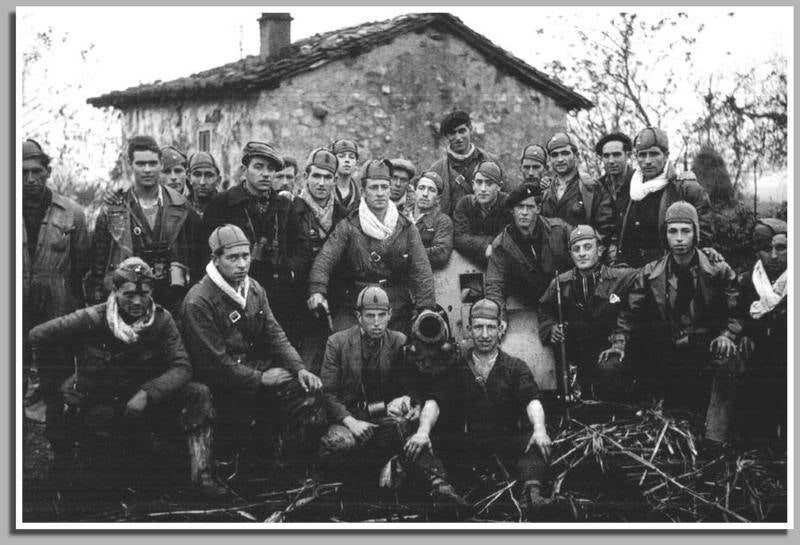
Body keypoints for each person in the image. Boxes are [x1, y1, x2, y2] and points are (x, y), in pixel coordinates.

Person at [30, 258, 222, 503]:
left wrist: (147, 393)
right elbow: (38, 335)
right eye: (128, 294)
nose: (137, 302)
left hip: (143, 404)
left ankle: (201, 475)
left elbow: (182, 367)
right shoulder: (92, 318)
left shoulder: (161, 321)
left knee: (198, 392)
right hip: (100, 406)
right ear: (115, 291)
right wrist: (61, 386)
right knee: (99, 489)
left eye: (144, 294)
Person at [180, 224, 325, 467]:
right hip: (216, 382)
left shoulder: (254, 289)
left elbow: (275, 334)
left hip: (248, 370)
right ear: (215, 259)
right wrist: (260, 378)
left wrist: (299, 368)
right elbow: (214, 363)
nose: (241, 264)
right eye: (232, 258)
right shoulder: (199, 301)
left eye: (245, 256)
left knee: (306, 394)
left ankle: (284, 463)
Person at [601, 201, 742, 446]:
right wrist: (619, 344)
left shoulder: (718, 270)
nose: (679, 239)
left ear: (696, 233)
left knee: (727, 357)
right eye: (672, 231)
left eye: (685, 231)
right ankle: (631, 431)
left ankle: (715, 439)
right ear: (665, 235)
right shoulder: (650, 273)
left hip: (703, 346)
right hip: (667, 348)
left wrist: (727, 335)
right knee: (617, 365)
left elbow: (736, 310)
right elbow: (629, 314)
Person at [317, 286, 463, 503]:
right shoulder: (337, 343)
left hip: (382, 420)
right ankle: (355, 486)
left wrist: (411, 402)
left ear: (390, 315)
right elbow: (327, 395)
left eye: (381, 315)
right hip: (347, 420)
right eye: (370, 316)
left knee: (411, 437)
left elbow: (412, 383)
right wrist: (351, 422)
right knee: (339, 444)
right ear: (358, 316)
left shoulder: (398, 341)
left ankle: (440, 487)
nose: (376, 322)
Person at [430, 298, 552, 516]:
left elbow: (531, 400)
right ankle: (443, 493)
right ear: (469, 329)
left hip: (505, 444)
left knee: (536, 442)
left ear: (501, 328)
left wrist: (540, 429)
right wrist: (422, 431)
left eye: (490, 327)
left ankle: (531, 495)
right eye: (478, 327)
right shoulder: (455, 369)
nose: (485, 334)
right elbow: (435, 401)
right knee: (423, 444)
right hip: (468, 446)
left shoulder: (515, 367)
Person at [307, 159, 436, 335]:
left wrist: (426, 307)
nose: (380, 193)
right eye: (374, 188)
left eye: (384, 187)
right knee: (342, 345)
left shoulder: (406, 227)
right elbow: (325, 259)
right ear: (363, 191)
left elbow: (422, 269)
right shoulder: (348, 225)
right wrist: (317, 291)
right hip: (355, 304)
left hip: (395, 307)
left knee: (401, 349)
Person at [85, 135, 203, 316]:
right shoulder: (114, 209)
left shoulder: (181, 206)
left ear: (160, 165)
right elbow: (99, 267)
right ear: (130, 165)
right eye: (140, 164)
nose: (147, 169)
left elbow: (197, 258)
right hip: (128, 301)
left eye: (152, 163)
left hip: (172, 301)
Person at [22, 138, 90, 415]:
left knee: (55, 375)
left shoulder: (71, 212)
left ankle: (58, 443)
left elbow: (82, 265)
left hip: (56, 307)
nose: (30, 179)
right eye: (22, 172)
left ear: (48, 172)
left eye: (36, 171)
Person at [201, 141, 294, 336]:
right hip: (233, 292)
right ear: (245, 170)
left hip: (277, 294)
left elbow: (294, 248)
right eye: (258, 167)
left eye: (271, 169)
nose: (266, 174)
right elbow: (205, 254)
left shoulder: (284, 205)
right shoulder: (223, 203)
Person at [537, 225, 637, 399]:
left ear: (600, 250)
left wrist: (620, 340)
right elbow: (544, 309)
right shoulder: (561, 283)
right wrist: (551, 328)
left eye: (587, 247)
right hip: (578, 350)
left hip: (608, 347)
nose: (582, 253)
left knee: (610, 373)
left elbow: (646, 277)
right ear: (571, 254)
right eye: (576, 249)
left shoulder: (621, 277)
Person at [616, 127, 717, 268]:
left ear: (666, 155)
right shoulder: (629, 188)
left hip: (666, 273)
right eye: (642, 155)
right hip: (630, 271)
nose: (647, 161)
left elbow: (703, 234)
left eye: (654, 154)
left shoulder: (683, 189)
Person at [286, 148, 348, 369]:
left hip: (334, 301)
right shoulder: (290, 211)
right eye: (316, 176)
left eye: (327, 177)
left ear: (335, 180)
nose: (321, 183)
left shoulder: (342, 215)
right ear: (306, 177)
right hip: (297, 305)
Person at [737, 218, 788, 448]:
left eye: (782, 248)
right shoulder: (748, 281)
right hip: (760, 362)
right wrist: (745, 334)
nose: (775, 256)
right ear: (758, 251)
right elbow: (737, 315)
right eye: (767, 249)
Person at [485, 184, 572, 309]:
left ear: (538, 208)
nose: (524, 213)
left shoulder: (559, 230)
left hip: (565, 302)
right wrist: (499, 315)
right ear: (512, 210)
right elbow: (494, 285)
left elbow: (585, 249)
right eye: (520, 207)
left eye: (530, 207)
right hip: (527, 306)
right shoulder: (501, 245)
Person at [540, 132, 615, 250]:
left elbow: (605, 230)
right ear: (550, 159)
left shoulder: (591, 188)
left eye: (565, 153)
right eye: (554, 155)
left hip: (582, 259)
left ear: (576, 156)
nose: (560, 159)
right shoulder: (545, 191)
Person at [429, 110, 499, 215]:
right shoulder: (437, 169)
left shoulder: (491, 161)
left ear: (470, 129)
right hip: (451, 228)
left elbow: (507, 198)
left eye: (462, 131)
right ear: (447, 136)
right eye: (452, 133)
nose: (458, 138)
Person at [452, 160, 511, 268]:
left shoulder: (507, 204)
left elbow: (508, 239)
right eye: (479, 182)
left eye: (489, 183)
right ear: (473, 185)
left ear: (499, 186)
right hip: (470, 264)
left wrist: (474, 241)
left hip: (502, 266)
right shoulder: (465, 204)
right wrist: (486, 246)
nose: (483, 189)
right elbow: (459, 238)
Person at [406, 171, 454, 270]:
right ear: (415, 192)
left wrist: (407, 255)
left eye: (431, 190)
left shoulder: (442, 221)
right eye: (421, 188)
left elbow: (440, 254)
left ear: (438, 198)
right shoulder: (401, 217)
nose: (425, 194)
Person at [594, 132, 634, 243]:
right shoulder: (597, 187)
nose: (611, 161)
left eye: (616, 155)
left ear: (628, 155)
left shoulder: (640, 182)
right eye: (606, 156)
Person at [187, 151, 221, 217]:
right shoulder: (181, 208)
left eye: (209, 175)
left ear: (218, 180)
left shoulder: (227, 208)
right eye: (197, 175)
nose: (202, 182)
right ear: (189, 178)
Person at [331, 138, 361, 214]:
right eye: (341, 156)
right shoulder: (326, 191)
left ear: (356, 162)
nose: (347, 160)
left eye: (351, 157)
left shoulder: (360, 196)